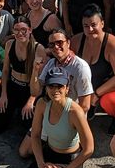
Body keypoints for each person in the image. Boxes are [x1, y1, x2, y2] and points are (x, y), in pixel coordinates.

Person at [13, 71, 94, 168]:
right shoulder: (42, 104)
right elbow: (36, 135)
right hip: (49, 153)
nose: (55, 90)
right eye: (51, 86)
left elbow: (89, 148)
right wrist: (40, 163)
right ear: (46, 88)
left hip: (68, 160)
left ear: (67, 88)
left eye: (60, 86)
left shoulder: (75, 112)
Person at [20, 29, 94, 158]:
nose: (56, 47)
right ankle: (48, 145)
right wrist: (35, 70)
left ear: (68, 43)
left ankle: (63, 147)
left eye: (60, 42)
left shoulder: (80, 67)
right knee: (24, 152)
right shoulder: (51, 64)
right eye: (52, 44)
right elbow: (35, 91)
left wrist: (66, 126)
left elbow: (85, 106)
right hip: (51, 112)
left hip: (70, 116)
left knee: (44, 152)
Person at [71, 6, 115, 126]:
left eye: (93, 25)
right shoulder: (76, 40)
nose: (90, 29)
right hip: (85, 85)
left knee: (114, 102)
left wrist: (96, 94)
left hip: (110, 85)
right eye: (86, 26)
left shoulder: (112, 44)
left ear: (102, 23)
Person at [0, 16, 45, 135]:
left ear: (30, 30)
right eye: (16, 30)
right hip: (13, 85)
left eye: (24, 30)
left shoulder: (38, 48)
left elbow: (41, 80)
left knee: (27, 125)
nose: (20, 33)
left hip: (29, 89)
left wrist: (31, 101)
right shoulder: (10, 44)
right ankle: (13, 109)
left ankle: (20, 111)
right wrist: (3, 94)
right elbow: (5, 71)